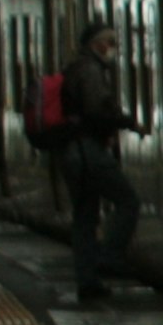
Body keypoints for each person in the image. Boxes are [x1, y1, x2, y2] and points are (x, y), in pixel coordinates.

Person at [62, 21, 148, 300]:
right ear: (95, 44)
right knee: (128, 200)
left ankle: (88, 282)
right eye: (109, 41)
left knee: (85, 217)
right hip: (89, 152)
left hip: (73, 152)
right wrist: (128, 122)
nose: (113, 47)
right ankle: (109, 256)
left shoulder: (76, 68)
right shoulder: (90, 71)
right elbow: (96, 112)